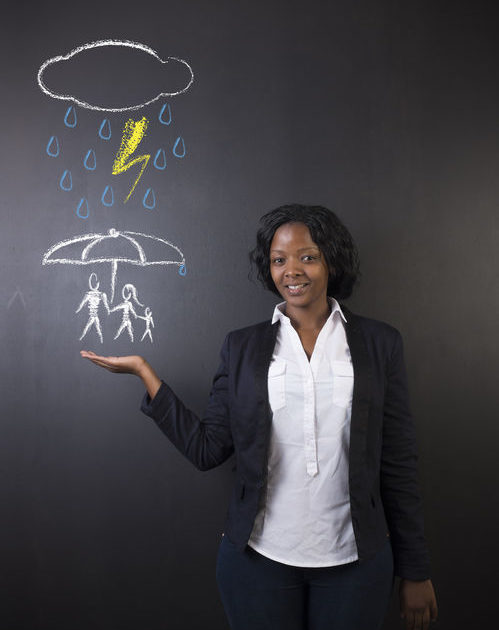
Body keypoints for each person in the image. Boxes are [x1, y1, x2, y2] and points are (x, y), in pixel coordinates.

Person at [81, 204, 438, 630]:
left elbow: (398, 463)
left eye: (308, 256)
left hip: (356, 563)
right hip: (258, 564)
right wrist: (145, 374)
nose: (293, 270)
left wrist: (415, 569)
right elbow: (207, 448)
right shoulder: (242, 348)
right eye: (278, 259)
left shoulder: (379, 344)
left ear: (331, 260)